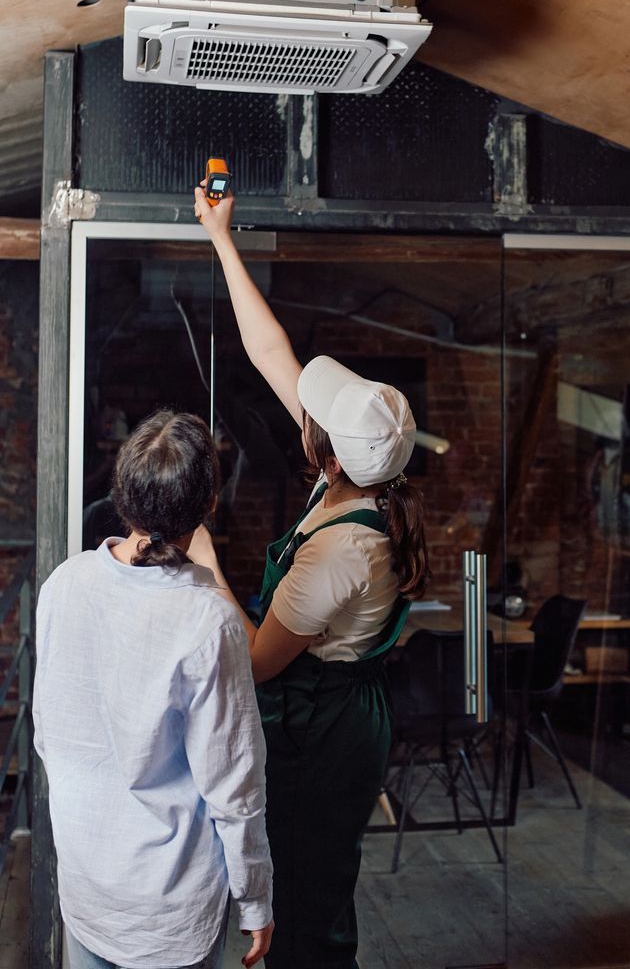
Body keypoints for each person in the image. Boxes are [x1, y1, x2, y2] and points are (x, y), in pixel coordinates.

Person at [191, 179, 430, 969]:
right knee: (305, 890)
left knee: (309, 908)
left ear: (325, 451)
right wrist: (222, 237)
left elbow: (258, 661)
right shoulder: (353, 477)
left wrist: (204, 563)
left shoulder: (342, 550)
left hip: (326, 730)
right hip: (325, 712)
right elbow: (271, 354)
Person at [33, 410, 274, 969]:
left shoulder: (64, 583)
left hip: (86, 884)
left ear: (122, 494)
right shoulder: (208, 620)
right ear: (210, 505)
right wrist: (255, 901)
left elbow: (48, 734)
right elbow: (233, 785)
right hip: (169, 908)